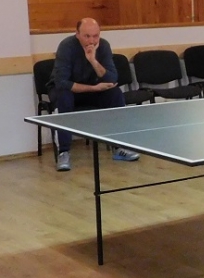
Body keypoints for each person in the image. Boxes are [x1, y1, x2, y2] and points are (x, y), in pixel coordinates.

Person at [50, 18, 139, 171]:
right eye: (87, 36)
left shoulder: (103, 46)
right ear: (77, 34)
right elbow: (62, 83)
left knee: (115, 93)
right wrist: (94, 88)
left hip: (93, 89)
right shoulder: (66, 46)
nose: (91, 41)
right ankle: (63, 152)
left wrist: (93, 60)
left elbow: (112, 78)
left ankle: (119, 147)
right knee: (64, 96)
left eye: (95, 36)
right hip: (70, 91)